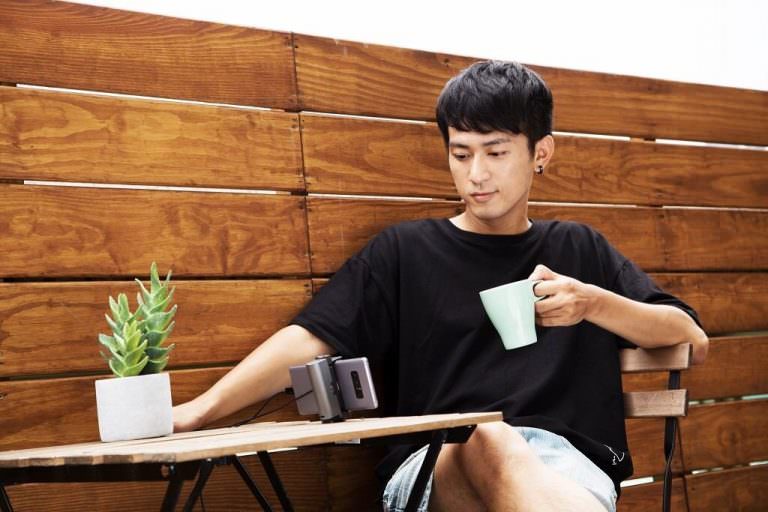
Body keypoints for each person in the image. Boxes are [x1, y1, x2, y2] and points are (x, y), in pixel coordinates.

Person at [173, 60, 709, 512]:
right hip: (433, 469)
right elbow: (311, 338)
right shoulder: (405, 252)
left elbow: (690, 339)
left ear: (541, 153)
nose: (476, 174)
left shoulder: (579, 248)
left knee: (505, 453)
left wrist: (591, 302)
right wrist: (200, 411)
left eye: (495, 153)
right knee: (490, 441)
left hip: (566, 469)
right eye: (461, 153)